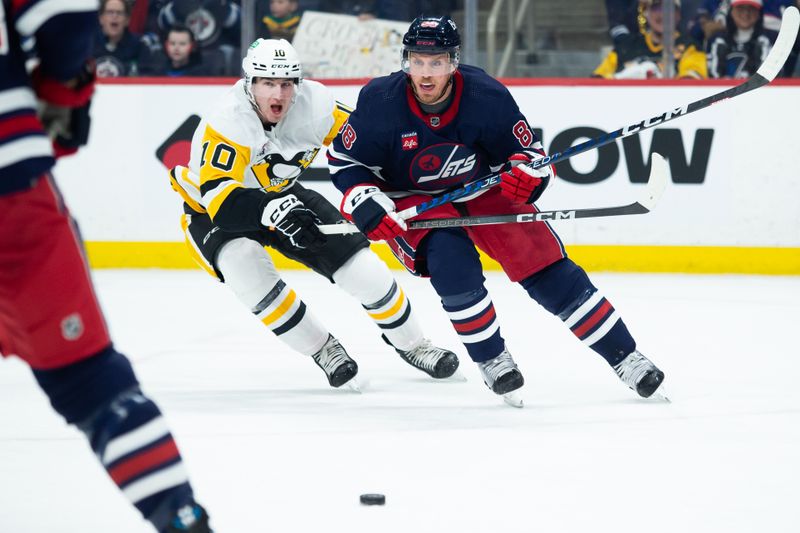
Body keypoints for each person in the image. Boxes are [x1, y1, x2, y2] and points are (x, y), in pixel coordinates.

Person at [328, 15, 666, 404]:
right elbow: (343, 161)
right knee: (451, 259)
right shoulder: (380, 100)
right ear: (405, 60)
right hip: (407, 196)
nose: (425, 73)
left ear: (454, 62)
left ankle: (626, 357)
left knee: (542, 262)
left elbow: (531, 155)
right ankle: (492, 360)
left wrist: (532, 177)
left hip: (479, 186)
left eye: (436, 61)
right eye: (417, 61)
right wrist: (364, 199)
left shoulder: (486, 96)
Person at [0, 0, 212, 531]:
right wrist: (58, 88)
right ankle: (182, 520)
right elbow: (65, 22)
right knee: (91, 383)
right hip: (11, 196)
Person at [167, 38, 459, 389]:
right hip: (214, 212)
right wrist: (270, 211)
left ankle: (415, 345)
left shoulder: (316, 104)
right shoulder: (228, 121)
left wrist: (395, 189)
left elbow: (367, 147)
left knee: (364, 269)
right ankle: (324, 350)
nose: (278, 94)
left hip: (281, 194)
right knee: (247, 270)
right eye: (267, 83)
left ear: (298, 84)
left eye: (286, 83)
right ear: (249, 83)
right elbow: (222, 202)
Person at [594, 0, 708, 79]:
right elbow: (597, 81)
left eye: (668, 9)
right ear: (646, 13)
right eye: (656, 8)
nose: (663, 14)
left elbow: (691, 82)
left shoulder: (691, 47)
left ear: (678, 15)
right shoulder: (625, 47)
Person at [707, 0, 774, 78]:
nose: (746, 13)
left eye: (751, 9)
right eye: (740, 8)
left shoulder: (769, 40)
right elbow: (712, 79)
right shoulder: (717, 41)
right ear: (731, 11)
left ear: (759, 13)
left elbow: (768, 79)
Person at [94, 0, 151, 76]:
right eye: (110, 12)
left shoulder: (140, 45)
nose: (114, 16)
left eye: (119, 13)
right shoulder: (89, 44)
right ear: (101, 19)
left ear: (127, 20)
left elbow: (149, 77)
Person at [141, 25, 219, 76]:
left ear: (192, 46)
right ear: (166, 45)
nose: (176, 48)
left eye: (182, 44)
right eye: (172, 43)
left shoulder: (201, 75)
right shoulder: (157, 74)